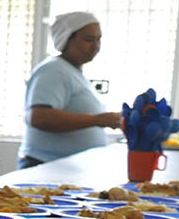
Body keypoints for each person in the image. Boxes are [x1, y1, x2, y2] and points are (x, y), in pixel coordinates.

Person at [17, 12, 121, 169]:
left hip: (64, 169)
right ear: (66, 39)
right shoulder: (53, 70)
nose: (96, 46)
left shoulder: (73, 72)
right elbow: (40, 117)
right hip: (46, 166)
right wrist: (97, 120)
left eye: (98, 39)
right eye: (89, 39)